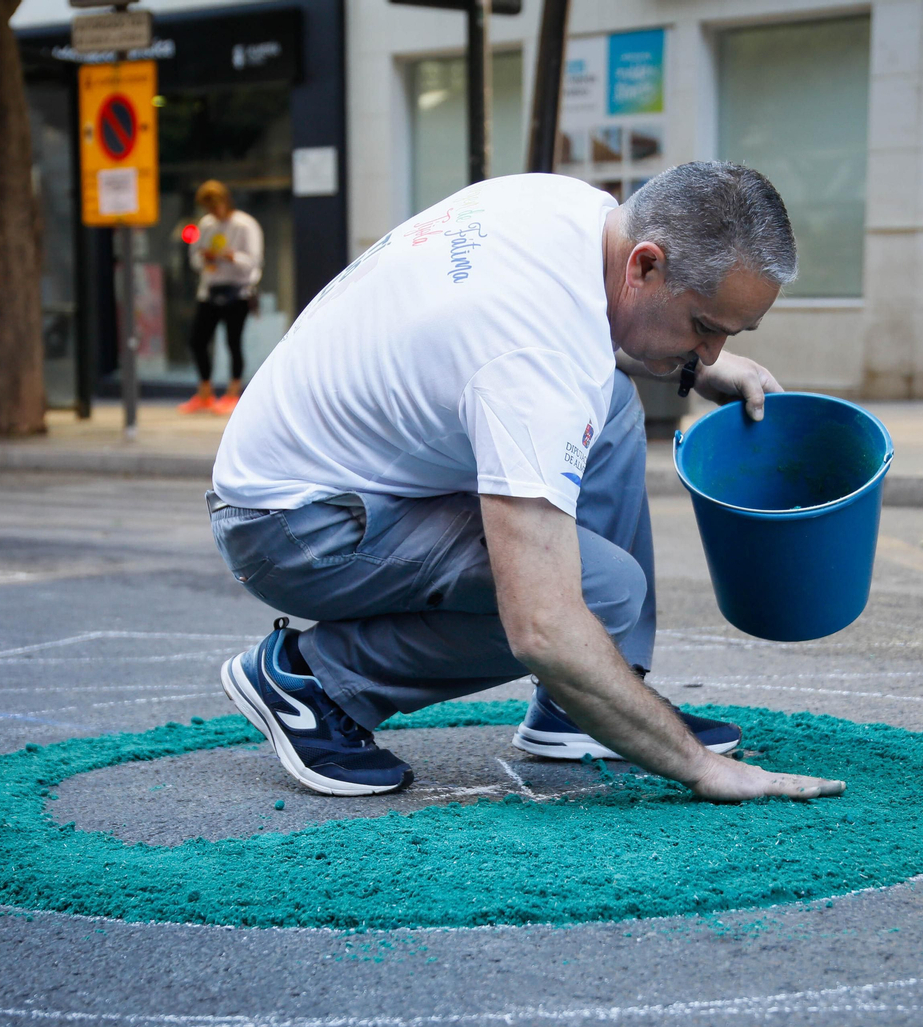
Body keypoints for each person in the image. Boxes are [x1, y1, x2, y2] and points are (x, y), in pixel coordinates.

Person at [207, 161, 845, 804]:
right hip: (293, 528)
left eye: (729, 335)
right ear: (646, 266)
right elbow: (543, 624)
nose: (709, 352)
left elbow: (563, 327)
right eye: (706, 328)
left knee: (615, 404)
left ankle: (586, 703)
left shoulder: (571, 208)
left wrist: (697, 361)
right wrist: (703, 768)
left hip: (321, 472)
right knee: (602, 596)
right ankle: (316, 679)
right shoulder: (535, 368)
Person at [179, 180, 263, 415]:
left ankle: (232, 393)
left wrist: (231, 257)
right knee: (198, 341)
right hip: (210, 290)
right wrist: (205, 258)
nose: (213, 212)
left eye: (215, 206)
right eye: (208, 208)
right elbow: (194, 257)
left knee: (232, 342)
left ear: (225, 202)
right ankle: (205, 392)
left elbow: (254, 262)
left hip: (238, 291)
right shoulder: (206, 225)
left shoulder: (245, 225)